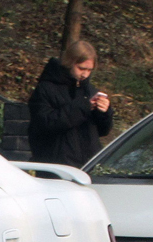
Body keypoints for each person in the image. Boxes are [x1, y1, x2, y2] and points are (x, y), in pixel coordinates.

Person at [27, 39, 113, 168]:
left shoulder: (90, 90)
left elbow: (102, 131)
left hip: (88, 164)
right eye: (81, 68)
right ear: (69, 62)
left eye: (89, 70)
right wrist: (83, 107)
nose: (85, 74)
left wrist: (104, 113)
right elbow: (45, 123)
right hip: (57, 166)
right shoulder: (46, 89)